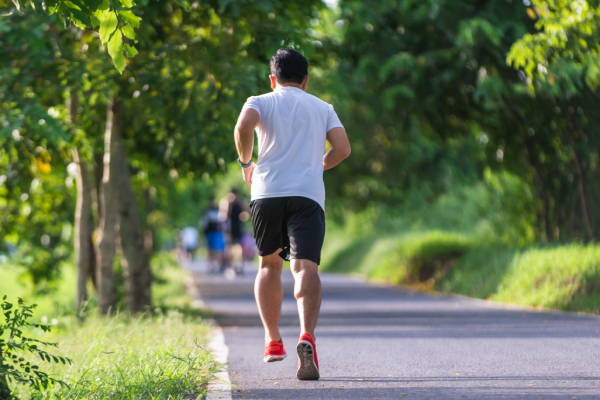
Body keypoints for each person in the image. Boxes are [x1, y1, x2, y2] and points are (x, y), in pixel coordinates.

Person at [234, 48, 351, 380]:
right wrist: (318, 166)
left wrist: (246, 164)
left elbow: (243, 128)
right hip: (307, 197)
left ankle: (273, 341)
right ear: (305, 80)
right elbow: (343, 149)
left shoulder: (260, 101)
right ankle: (306, 335)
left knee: (270, 264)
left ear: (273, 78)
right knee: (305, 267)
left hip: (267, 193)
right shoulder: (322, 107)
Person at [202, 196, 226, 272]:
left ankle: (218, 265)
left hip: (217, 232)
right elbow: (204, 223)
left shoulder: (217, 211)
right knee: (210, 249)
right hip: (210, 232)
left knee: (218, 249)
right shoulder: (207, 211)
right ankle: (211, 265)